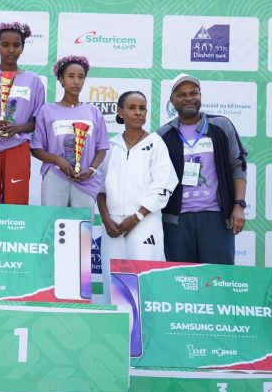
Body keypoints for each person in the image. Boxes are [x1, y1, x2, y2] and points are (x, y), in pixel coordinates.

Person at [156, 73, 248, 264]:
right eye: (182, 94)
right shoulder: (163, 135)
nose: (189, 98)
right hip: (177, 221)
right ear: (171, 100)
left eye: (194, 93)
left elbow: (238, 165)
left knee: (218, 278)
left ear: (200, 96)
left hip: (216, 218)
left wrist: (239, 205)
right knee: (181, 278)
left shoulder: (221, 125)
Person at [96, 91, 178, 265]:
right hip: (113, 225)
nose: (138, 112)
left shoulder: (156, 143)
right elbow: (100, 188)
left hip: (145, 222)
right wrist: (106, 220)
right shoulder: (111, 146)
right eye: (132, 108)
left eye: (142, 108)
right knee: (115, 278)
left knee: (144, 276)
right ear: (120, 112)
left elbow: (164, 186)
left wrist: (136, 217)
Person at [0, 22, 45, 205]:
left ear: (23, 47)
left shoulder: (34, 81)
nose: (11, 50)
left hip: (17, 146)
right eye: (5, 45)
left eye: (16, 45)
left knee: (16, 204)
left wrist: (17, 128)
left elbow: (37, 122)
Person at [31, 55, 108, 209]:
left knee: (82, 223)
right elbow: (36, 148)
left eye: (81, 77)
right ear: (61, 79)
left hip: (85, 179)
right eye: (71, 76)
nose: (76, 81)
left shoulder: (93, 112)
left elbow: (102, 148)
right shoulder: (47, 111)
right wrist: (57, 160)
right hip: (55, 175)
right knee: (53, 220)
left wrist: (91, 170)